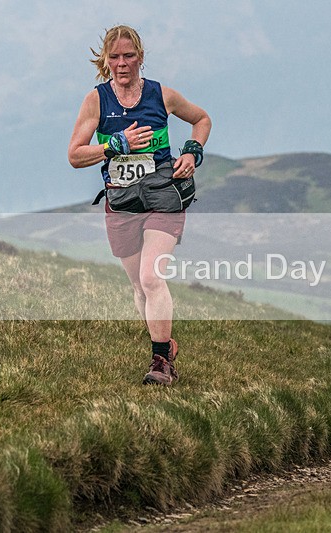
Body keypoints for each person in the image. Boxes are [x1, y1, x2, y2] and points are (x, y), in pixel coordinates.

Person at [68, 25, 211, 385]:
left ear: (141, 58)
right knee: (138, 287)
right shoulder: (96, 101)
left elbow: (201, 119)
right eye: (114, 56)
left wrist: (193, 152)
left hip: (163, 191)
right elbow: (75, 155)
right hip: (121, 199)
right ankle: (165, 344)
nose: (121, 63)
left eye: (128, 55)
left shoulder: (162, 95)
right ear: (105, 60)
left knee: (151, 276)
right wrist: (115, 144)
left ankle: (161, 363)